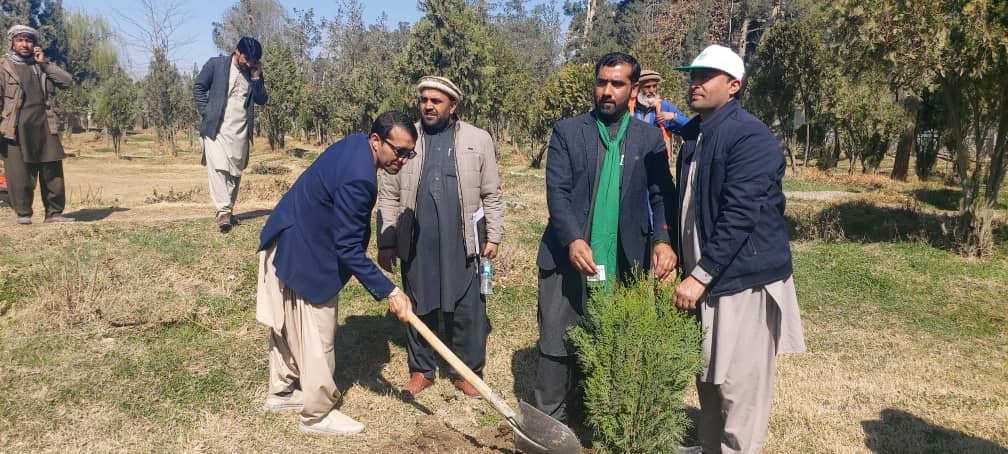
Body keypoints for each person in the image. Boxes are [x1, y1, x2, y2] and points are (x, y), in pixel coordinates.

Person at [672, 44, 806, 453]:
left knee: (738, 390)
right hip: (710, 280)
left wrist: (699, 275)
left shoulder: (750, 136)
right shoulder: (696, 134)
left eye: (705, 76)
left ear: (733, 86)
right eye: (693, 75)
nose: (695, 82)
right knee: (708, 382)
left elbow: (740, 215)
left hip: (742, 281)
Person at [533, 52, 677, 425]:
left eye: (617, 84)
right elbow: (558, 192)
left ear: (632, 89)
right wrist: (572, 238)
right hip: (568, 258)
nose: (607, 91)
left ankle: (596, 419)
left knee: (611, 338)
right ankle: (548, 423)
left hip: (624, 257)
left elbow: (662, 193)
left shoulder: (648, 139)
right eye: (601, 82)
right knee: (556, 340)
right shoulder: (568, 131)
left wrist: (662, 240)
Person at [255, 111, 416, 436]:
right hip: (304, 252)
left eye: (409, 153)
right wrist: (390, 291)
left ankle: (280, 392)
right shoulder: (360, 177)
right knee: (318, 338)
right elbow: (347, 248)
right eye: (398, 151)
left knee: (288, 327)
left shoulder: (356, 145)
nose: (403, 159)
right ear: (376, 140)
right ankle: (316, 416)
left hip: (292, 236)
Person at [376, 76, 504, 399]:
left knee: (468, 307)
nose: (429, 106)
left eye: (437, 101)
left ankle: (467, 371)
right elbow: (389, 193)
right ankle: (422, 369)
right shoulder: (407, 138)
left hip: (463, 240)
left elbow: (492, 193)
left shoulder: (478, 139)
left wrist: (494, 234)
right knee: (418, 302)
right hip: (417, 241)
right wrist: (387, 239)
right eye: (424, 100)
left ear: (453, 105)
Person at [0, 25, 74, 225]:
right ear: (12, 42)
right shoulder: (4, 66)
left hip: (45, 125)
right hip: (14, 129)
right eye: (20, 40)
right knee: (19, 174)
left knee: (52, 171)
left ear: (34, 44)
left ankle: (54, 213)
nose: (25, 44)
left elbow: (67, 82)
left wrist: (45, 64)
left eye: (29, 40)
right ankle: (23, 214)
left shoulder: (40, 65)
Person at [192, 36, 267, 233]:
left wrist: (257, 78)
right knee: (218, 168)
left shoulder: (253, 72)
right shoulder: (215, 65)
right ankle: (223, 211)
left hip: (240, 130)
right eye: (247, 59)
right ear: (237, 52)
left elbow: (261, 99)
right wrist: (206, 111)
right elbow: (199, 87)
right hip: (216, 128)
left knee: (235, 172)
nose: (249, 63)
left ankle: (228, 210)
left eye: (253, 60)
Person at [629, 69, 689, 158]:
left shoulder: (664, 107)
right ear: (638, 88)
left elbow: (691, 127)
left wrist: (674, 117)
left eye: (654, 86)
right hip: (632, 159)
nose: (652, 90)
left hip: (657, 161)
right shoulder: (628, 107)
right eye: (647, 87)